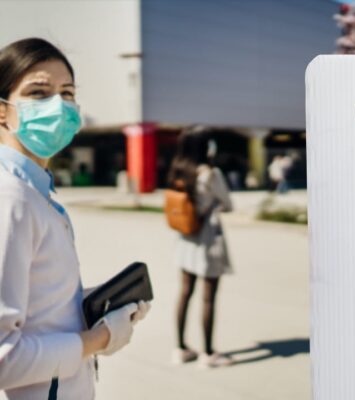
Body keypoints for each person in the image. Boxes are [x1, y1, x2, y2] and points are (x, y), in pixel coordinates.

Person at [0, 38, 150, 399]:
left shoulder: (35, 191)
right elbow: (4, 358)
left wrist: (83, 303)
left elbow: (33, 305)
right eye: (39, 92)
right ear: (2, 111)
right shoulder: (11, 198)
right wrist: (99, 338)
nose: (58, 105)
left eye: (67, 93)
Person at [168, 127, 234, 368]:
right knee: (208, 297)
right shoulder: (211, 173)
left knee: (185, 293)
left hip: (185, 239)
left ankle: (180, 348)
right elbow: (228, 204)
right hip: (207, 240)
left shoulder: (178, 170)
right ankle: (208, 353)